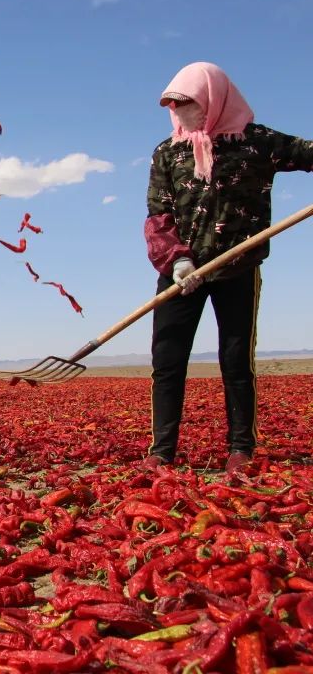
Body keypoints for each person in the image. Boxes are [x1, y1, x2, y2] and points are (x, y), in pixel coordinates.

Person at [143, 62, 313, 475]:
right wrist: (178, 260)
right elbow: (158, 212)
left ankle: (241, 447)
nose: (180, 113)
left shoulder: (257, 143)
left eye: (188, 104)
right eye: (173, 105)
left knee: (236, 359)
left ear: (214, 99)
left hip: (237, 267)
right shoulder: (168, 152)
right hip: (180, 272)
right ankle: (162, 451)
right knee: (167, 360)